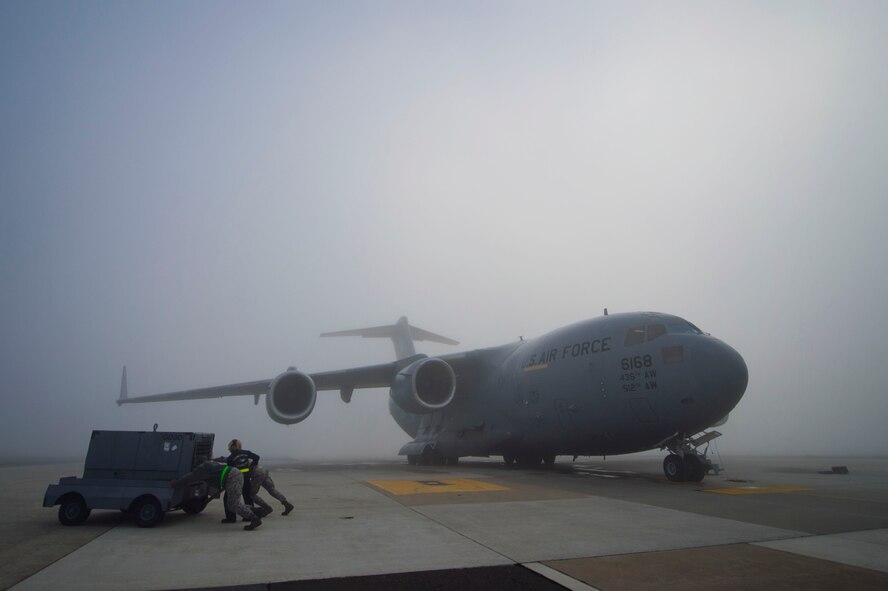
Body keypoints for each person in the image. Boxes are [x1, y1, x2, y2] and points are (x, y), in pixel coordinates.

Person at [171, 456, 262, 530]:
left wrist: (177, 482)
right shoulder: (210, 464)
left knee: (233, 504)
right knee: (231, 503)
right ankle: (255, 510)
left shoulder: (202, 468)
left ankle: (254, 518)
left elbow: (190, 477)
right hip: (234, 474)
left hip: (232, 477)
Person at [218, 439, 260, 522]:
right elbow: (257, 457)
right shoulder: (246, 453)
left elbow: (229, 470)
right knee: (248, 497)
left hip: (237, 479)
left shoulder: (230, 458)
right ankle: (249, 515)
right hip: (247, 478)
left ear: (231, 447)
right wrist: (252, 466)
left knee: (228, 497)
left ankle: (231, 518)